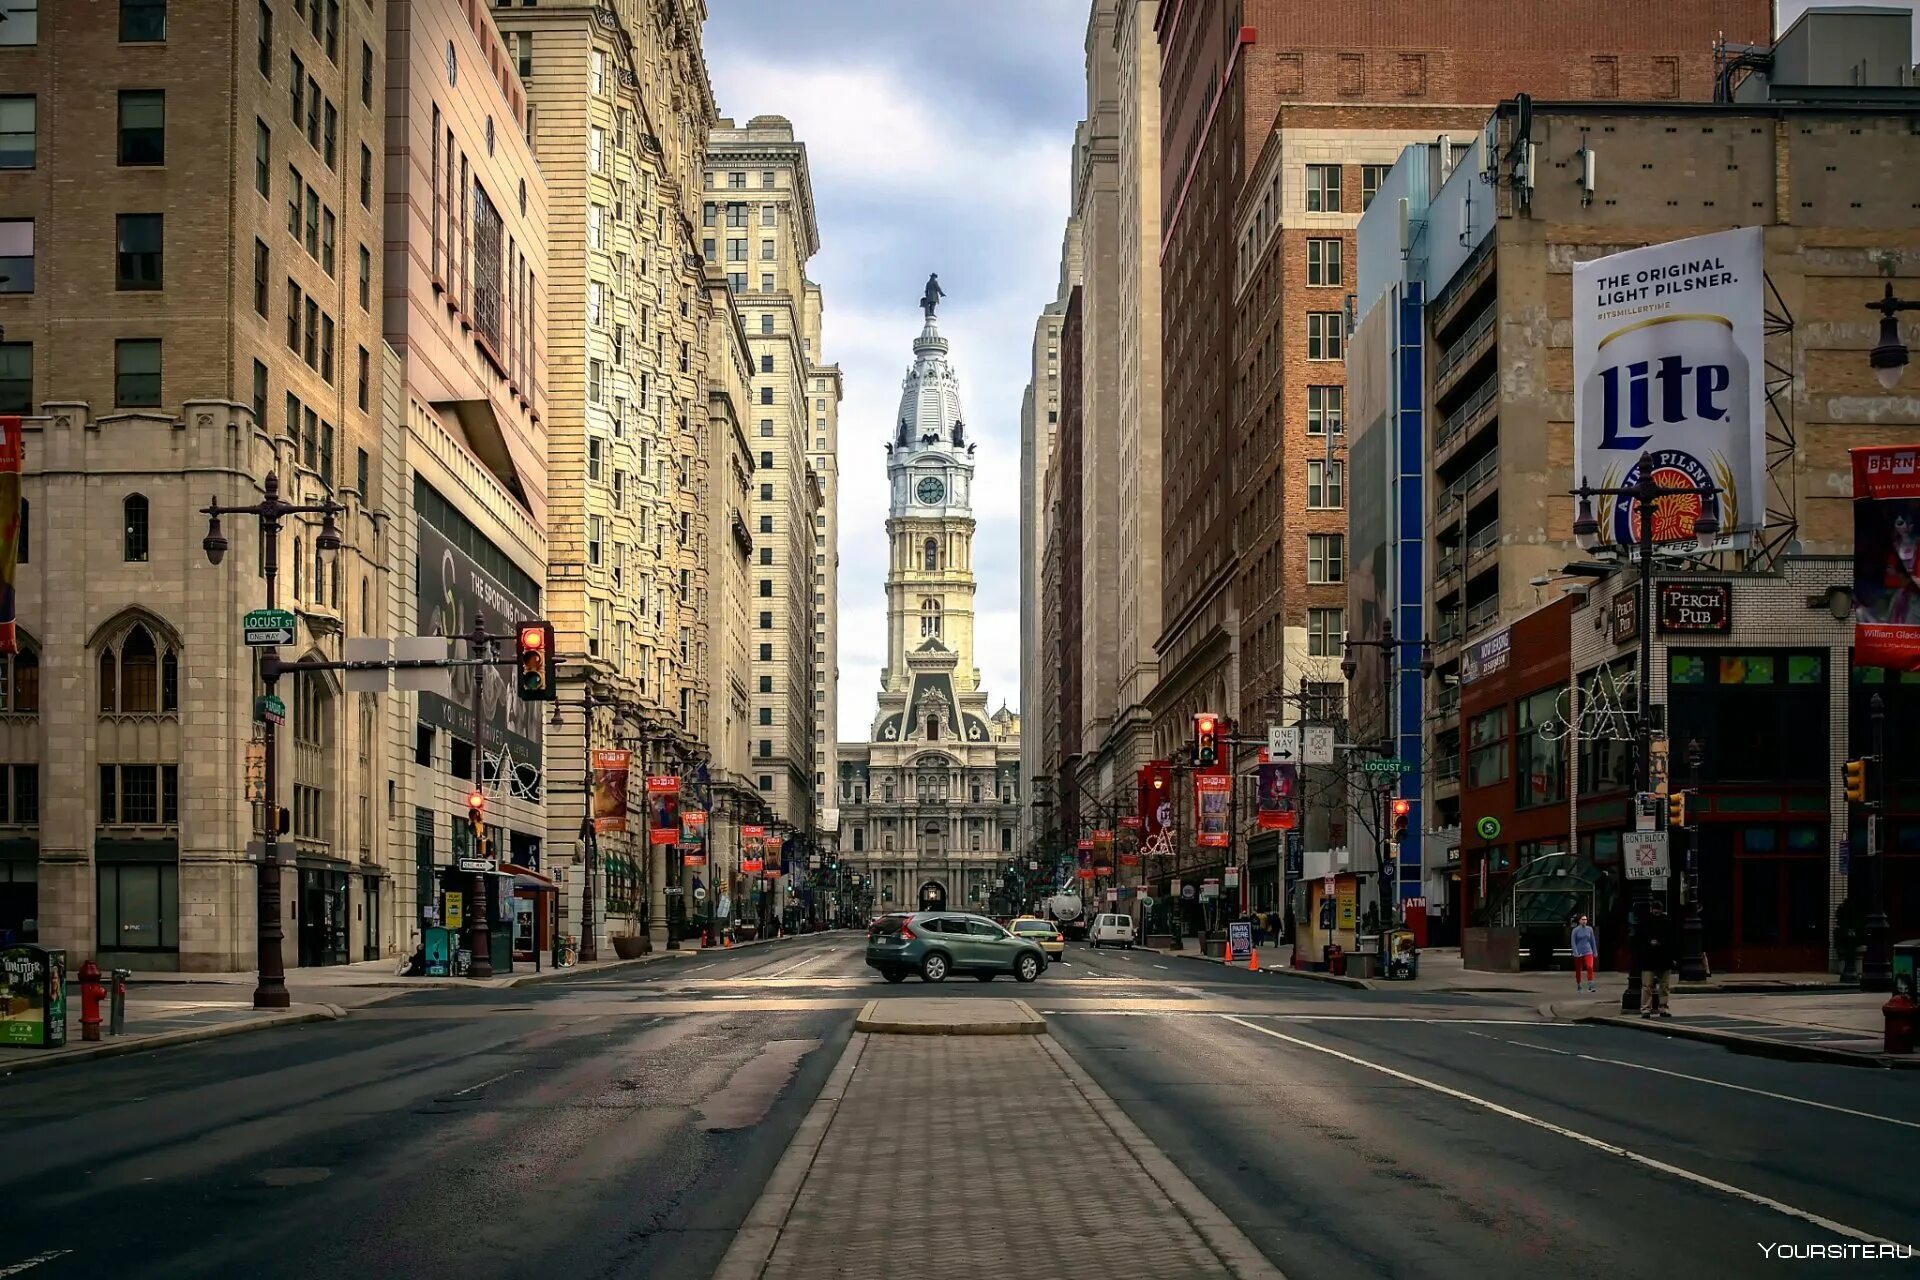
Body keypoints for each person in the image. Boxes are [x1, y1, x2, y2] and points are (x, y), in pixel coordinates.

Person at [1634, 900, 1676, 1018]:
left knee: (1657, 985)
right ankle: (1653, 1008)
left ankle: (1654, 1008)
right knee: (1652, 985)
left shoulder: (1655, 921)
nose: (1656, 912)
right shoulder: (1656, 921)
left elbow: (1671, 940)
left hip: (1656, 958)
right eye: (1655, 910)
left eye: (1658, 910)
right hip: (1655, 958)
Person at [1570, 913, 1598, 992]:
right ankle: (1579, 985)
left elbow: (1592, 941)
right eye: (1583, 919)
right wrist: (1575, 953)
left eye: (1585, 919)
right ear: (1579, 921)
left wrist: (1595, 952)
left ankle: (1591, 985)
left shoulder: (1590, 929)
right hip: (1579, 953)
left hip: (1588, 951)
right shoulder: (1575, 930)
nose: (1584, 921)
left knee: (1590, 967)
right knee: (1578, 970)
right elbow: (1573, 942)